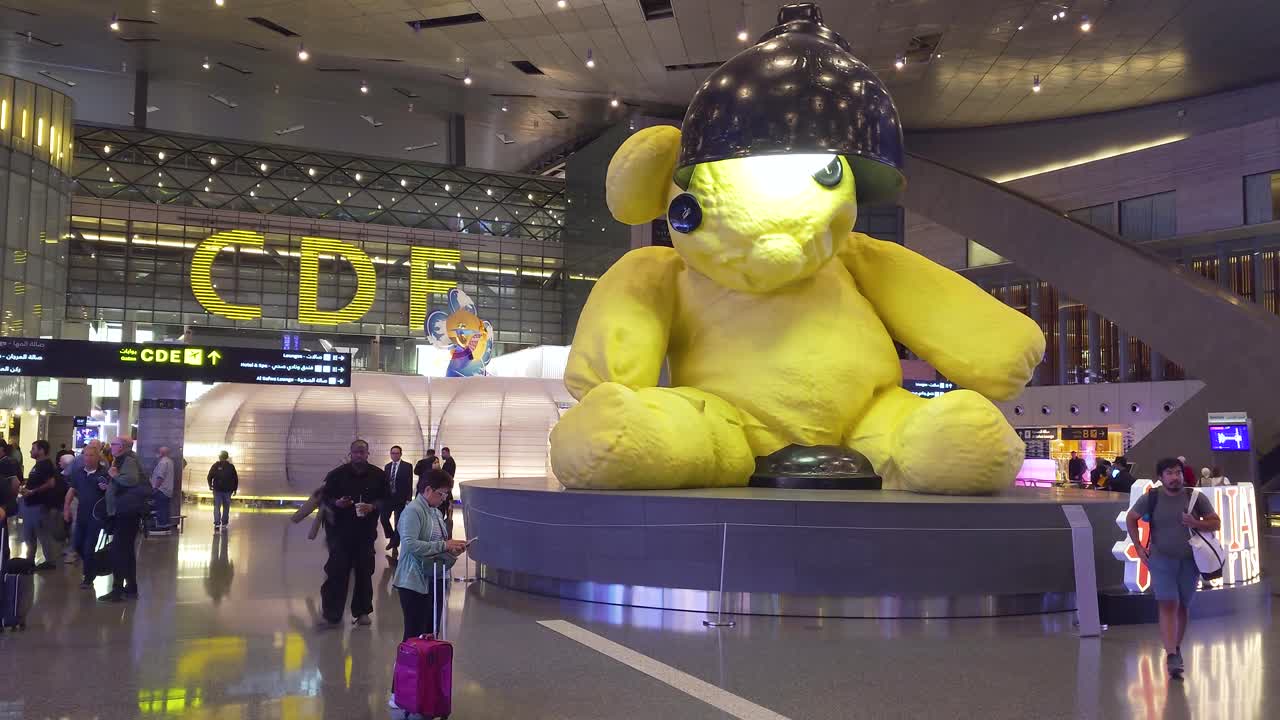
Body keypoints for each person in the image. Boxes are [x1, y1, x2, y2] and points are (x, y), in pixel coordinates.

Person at [1126, 457, 1221, 678]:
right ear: (1160, 477)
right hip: (1161, 560)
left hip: (1190, 561)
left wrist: (1195, 523)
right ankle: (1171, 655)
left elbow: (1215, 522)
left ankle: (1175, 647)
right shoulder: (1151, 498)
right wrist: (1139, 547)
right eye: (1169, 473)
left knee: (1182, 606)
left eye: (1177, 472)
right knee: (1168, 603)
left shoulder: (1194, 496)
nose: (1174, 477)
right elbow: (1132, 518)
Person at [388, 468, 467, 712]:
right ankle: (399, 690)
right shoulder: (412, 511)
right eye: (442, 493)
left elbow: (436, 548)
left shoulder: (434, 512)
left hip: (434, 578)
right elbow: (410, 545)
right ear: (428, 490)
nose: (444, 498)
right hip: (413, 582)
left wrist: (451, 551)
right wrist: (444, 544)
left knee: (429, 635)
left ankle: (422, 688)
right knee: (412, 638)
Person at [317, 439, 387, 629]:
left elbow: (386, 499)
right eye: (355, 452)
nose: (358, 455)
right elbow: (324, 499)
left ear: (367, 453)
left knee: (365, 572)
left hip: (365, 534)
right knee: (336, 572)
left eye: (362, 452)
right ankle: (332, 614)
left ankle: (362, 612)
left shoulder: (378, 476)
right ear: (350, 453)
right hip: (339, 534)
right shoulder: (336, 475)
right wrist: (337, 503)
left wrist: (372, 506)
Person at [101, 436, 146, 602]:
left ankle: (117, 589)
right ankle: (131, 587)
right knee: (125, 551)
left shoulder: (127, 460)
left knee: (119, 551)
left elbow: (130, 479)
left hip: (126, 512)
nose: (111, 446)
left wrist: (114, 477)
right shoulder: (124, 459)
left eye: (114, 444)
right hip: (127, 511)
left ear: (123, 447)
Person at [64, 443, 110, 589]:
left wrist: (107, 489)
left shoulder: (104, 473)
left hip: (96, 517)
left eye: (91, 456)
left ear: (98, 458)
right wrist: (66, 508)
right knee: (77, 544)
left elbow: (111, 492)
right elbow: (72, 490)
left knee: (89, 547)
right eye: (86, 455)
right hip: (82, 514)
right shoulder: (78, 472)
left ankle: (88, 577)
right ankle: (93, 566)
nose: (88, 458)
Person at [17, 440, 60, 570]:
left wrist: (32, 491)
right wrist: (26, 489)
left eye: (33, 448)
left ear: (41, 451)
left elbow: (51, 483)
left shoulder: (45, 465)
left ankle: (50, 561)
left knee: (42, 533)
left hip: (38, 506)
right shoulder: (38, 465)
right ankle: (29, 561)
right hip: (31, 505)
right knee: (29, 535)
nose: (31, 451)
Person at [381, 445, 414, 559]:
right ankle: (392, 537)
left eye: (396, 453)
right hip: (388, 498)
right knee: (384, 518)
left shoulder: (407, 466)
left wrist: (409, 498)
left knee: (398, 522)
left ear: (400, 454)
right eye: (392, 453)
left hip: (401, 498)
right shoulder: (387, 466)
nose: (394, 455)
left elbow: (409, 483)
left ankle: (394, 544)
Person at [207, 451, 239, 532]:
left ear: (220, 457)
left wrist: (210, 485)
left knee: (217, 506)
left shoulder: (215, 465)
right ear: (227, 457)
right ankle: (224, 523)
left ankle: (217, 523)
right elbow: (235, 479)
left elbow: (209, 476)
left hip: (217, 490)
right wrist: (234, 489)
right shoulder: (231, 467)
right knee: (226, 507)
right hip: (228, 491)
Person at [150, 446, 176, 529]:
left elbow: (160, 477)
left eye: (158, 451)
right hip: (167, 490)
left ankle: (161, 526)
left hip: (161, 489)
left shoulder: (163, 463)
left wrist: (155, 488)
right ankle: (166, 525)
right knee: (165, 508)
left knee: (161, 508)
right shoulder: (170, 461)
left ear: (161, 453)